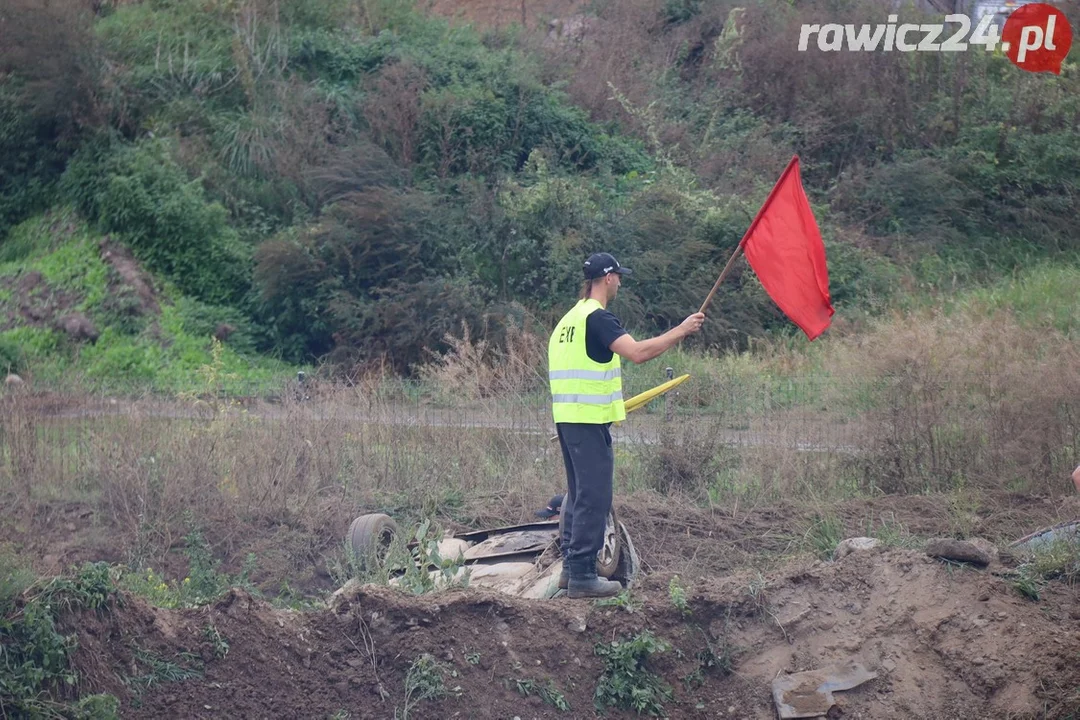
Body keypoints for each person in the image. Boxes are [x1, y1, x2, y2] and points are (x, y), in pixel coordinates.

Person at [548, 252, 705, 598]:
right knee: (595, 495)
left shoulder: (568, 320)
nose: (619, 282)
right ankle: (584, 576)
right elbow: (637, 352)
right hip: (588, 419)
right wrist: (681, 330)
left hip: (568, 417)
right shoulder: (598, 318)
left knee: (578, 494)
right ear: (607, 278)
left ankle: (572, 570)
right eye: (618, 276)